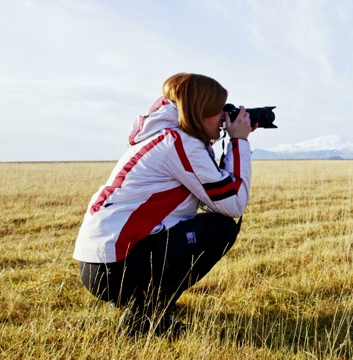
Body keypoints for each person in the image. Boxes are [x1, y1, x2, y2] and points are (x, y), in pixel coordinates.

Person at [73, 73, 257, 337]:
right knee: (221, 228)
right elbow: (233, 203)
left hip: (101, 264)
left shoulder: (163, 136)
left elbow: (218, 193)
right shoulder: (179, 143)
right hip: (115, 268)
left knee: (209, 225)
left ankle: (146, 303)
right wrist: (239, 141)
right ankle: (144, 318)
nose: (222, 119)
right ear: (198, 111)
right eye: (218, 111)